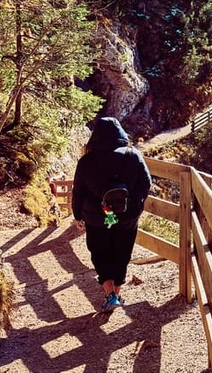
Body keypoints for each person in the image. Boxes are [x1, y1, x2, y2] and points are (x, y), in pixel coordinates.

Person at [71, 117, 151, 312]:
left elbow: (78, 191)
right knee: (122, 252)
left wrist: (77, 215)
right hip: (127, 216)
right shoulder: (132, 155)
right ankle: (117, 293)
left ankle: (110, 295)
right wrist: (134, 204)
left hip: (96, 217)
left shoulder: (86, 161)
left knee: (100, 252)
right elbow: (146, 183)